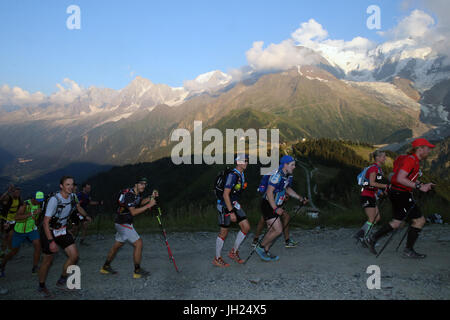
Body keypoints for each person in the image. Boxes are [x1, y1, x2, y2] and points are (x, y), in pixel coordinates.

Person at [366, 138, 435, 259]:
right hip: (402, 194)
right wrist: (419, 186)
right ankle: (408, 251)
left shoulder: (411, 159)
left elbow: (407, 177)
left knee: (398, 222)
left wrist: (422, 185)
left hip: (396, 192)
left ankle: (372, 238)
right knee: (419, 220)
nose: (429, 151)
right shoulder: (411, 160)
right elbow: (400, 178)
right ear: (420, 149)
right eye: (428, 148)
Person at [38, 176, 91, 298]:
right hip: (49, 231)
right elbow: (46, 222)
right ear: (61, 186)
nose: (70, 187)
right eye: (67, 184)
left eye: (72, 184)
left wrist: (86, 216)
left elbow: (78, 207)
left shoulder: (73, 196)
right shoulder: (54, 200)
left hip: (62, 230)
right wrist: (51, 241)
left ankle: (61, 281)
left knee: (74, 256)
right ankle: (41, 286)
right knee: (48, 260)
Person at [100, 178, 157, 278]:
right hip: (124, 223)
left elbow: (140, 202)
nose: (143, 186)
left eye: (145, 184)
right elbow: (133, 212)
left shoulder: (136, 193)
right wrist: (149, 206)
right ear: (135, 184)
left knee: (117, 246)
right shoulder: (130, 195)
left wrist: (151, 197)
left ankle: (105, 267)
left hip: (120, 223)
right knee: (139, 243)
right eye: (141, 184)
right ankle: (137, 271)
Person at [255, 155, 308, 262]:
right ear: (285, 165)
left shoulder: (286, 175)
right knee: (278, 230)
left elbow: (287, 188)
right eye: (292, 165)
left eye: (294, 165)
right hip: (268, 204)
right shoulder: (277, 175)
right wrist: (275, 208)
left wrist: (300, 198)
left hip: (274, 205)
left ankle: (265, 252)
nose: (294, 167)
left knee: (272, 229)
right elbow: (269, 192)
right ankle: (260, 247)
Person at [213, 154, 251, 267]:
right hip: (225, 206)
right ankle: (217, 258)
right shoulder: (232, 175)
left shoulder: (241, 174)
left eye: (247, 161)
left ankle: (233, 252)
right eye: (244, 161)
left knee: (246, 227)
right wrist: (231, 212)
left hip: (234, 204)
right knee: (223, 233)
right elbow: (225, 194)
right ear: (238, 162)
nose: (247, 163)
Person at [0, 191, 44, 277]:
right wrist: (31, 213)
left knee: (38, 246)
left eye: (41, 200)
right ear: (33, 198)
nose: (39, 202)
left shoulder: (39, 205)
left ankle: (35, 267)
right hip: (19, 231)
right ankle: (2, 266)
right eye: (38, 200)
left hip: (31, 230)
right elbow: (17, 217)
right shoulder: (25, 204)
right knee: (13, 252)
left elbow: (36, 219)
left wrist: (36, 221)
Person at [353, 150, 389, 245]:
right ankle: (362, 236)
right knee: (372, 219)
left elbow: (374, 186)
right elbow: (372, 183)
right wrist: (385, 186)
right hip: (366, 196)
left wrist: (381, 193)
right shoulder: (374, 169)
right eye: (383, 156)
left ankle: (363, 235)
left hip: (371, 195)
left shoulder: (378, 169)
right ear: (377, 158)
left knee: (376, 218)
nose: (385, 158)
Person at [0, 186, 23, 256]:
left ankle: (9, 250)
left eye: (19, 192)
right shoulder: (9, 198)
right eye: (16, 192)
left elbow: (22, 206)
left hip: (13, 220)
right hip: (5, 219)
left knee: (11, 236)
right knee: (5, 236)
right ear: (13, 193)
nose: (18, 194)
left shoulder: (19, 199)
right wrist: (8, 191)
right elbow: (1, 199)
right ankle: (2, 252)